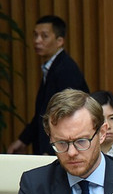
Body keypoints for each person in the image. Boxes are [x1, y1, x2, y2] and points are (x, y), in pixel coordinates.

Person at [7, 15, 89, 155]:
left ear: (60, 41)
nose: (37, 41)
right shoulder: (52, 67)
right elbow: (43, 112)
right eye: (35, 35)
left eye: (44, 36)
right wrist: (23, 140)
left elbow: (68, 114)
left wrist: (51, 151)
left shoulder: (65, 69)